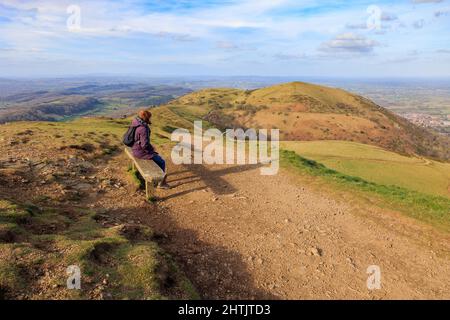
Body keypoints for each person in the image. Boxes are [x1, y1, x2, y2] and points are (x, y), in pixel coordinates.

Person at [130, 110, 170, 189]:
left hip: (135, 149)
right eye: (149, 117)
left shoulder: (136, 123)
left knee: (156, 157)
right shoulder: (143, 128)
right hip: (141, 152)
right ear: (146, 117)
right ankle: (160, 183)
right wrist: (152, 149)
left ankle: (158, 177)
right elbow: (144, 145)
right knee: (162, 162)